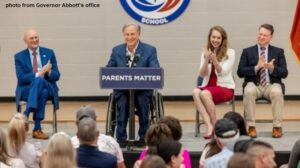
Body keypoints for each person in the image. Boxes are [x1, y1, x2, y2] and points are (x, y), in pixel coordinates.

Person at [106, 22, 160, 146]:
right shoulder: (116, 50)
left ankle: (143, 137)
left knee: (142, 102)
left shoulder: (150, 50)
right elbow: (109, 69)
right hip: (123, 90)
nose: (129, 37)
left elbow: (154, 69)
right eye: (127, 34)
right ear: (123, 35)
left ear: (139, 34)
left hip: (142, 90)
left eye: (132, 34)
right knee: (123, 104)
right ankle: (121, 138)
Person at [237, 23, 288, 138]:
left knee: (277, 92)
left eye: (265, 35)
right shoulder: (247, 51)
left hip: (272, 84)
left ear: (271, 37)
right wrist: (256, 67)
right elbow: (240, 72)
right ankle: (251, 126)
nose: (261, 37)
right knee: (248, 91)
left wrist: (272, 68)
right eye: (260, 34)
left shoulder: (278, 52)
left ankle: (277, 127)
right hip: (254, 84)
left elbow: (284, 73)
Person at [14, 28, 60, 139]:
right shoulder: (19, 56)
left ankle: (26, 113)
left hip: (47, 86)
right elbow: (21, 78)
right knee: (42, 91)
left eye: (36, 37)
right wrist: (38, 74)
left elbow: (57, 75)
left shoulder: (49, 53)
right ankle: (37, 129)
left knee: (42, 85)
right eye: (31, 38)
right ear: (25, 40)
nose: (35, 40)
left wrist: (48, 71)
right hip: (27, 89)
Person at [192, 25, 235, 139]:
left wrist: (215, 60)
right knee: (196, 92)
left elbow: (223, 73)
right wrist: (206, 58)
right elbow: (201, 74)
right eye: (213, 37)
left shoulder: (230, 53)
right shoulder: (205, 53)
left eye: (218, 38)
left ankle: (215, 124)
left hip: (225, 87)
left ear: (222, 39)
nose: (215, 40)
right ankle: (209, 125)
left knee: (204, 93)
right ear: (209, 38)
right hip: (208, 86)